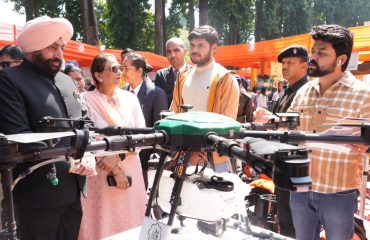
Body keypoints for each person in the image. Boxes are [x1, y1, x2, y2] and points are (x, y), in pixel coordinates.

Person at [0, 16, 95, 240]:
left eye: (61, 47)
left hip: (73, 191)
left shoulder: (66, 81)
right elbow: (18, 137)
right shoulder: (9, 80)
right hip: (36, 196)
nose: (59, 55)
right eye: (52, 47)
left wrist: (88, 154)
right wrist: (69, 162)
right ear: (33, 47)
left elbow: (85, 124)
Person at [287, 25, 370, 240]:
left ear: (341, 59)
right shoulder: (304, 92)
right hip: (301, 188)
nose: (313, 57)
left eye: (321, 53)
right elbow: (288, 130)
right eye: (313, 51)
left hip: (339, 192)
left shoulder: (363, 95)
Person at [79, 53, 147, 239]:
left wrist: (118, 158)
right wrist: (114, 170)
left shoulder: (130, 98)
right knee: (103, 222)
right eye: (114, 69)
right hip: (101, 173)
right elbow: (89, 138)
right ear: (98, 76)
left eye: (121, 68)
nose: (120, 72)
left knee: (132, 222)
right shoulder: (85, 100)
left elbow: (142, 136)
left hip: (131, 168)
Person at [171, 25, 239, 170]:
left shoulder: (225, 78)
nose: (194, 50)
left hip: (215, 159)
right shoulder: (182, 77)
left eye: (201, 45)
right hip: (184, 155)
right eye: (193, 45)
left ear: (214, 48)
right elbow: (174, 116)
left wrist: (199, 151)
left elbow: (227, 123)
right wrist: (185, 151)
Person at [273, 45, 309, 238]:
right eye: (283, 63)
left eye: (290, 63)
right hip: (283, 160)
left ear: (304, 66)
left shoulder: (306, 91)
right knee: (285, 215)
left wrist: (269, 121)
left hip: (297, 163)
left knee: (296, 220)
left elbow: (297, 125)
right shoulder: (287, 90)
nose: (285, 67)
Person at [122, 53, 168, 189]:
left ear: (139, 70)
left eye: (126, 68)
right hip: (123, 155)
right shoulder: (121, 91)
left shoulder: (156, 93)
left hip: (145, 157)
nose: (122, 72)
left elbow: (159, 128)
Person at [155, 37, 191, 106]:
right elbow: (159, 100)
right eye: (169, 52)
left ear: (184, 51)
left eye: (176, 50)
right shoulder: (161, 75)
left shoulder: (194, 73)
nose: (172, 55)